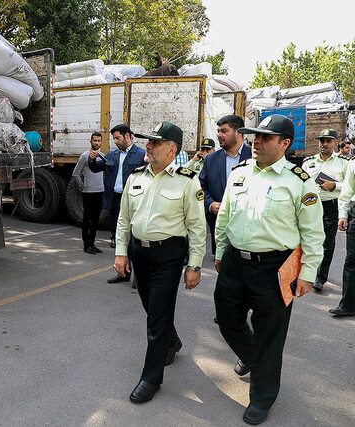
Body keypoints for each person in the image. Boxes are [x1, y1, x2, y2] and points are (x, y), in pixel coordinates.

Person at [214, 114, 324, 425]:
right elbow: (225, 217)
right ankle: (254, 357)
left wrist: (307, 272)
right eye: (254, 137)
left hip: (274, 268)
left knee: (270, 337)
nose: (256, 142)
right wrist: (221, 251)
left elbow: (314, 233)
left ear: (285, 143)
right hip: (235, 262)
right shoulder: (240, 173)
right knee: (226, 320)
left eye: (264, 138)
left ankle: (262, 397)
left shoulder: (299, 181)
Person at [114, 121, 205, 404]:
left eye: (154, 143)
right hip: (139, 253)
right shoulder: (136, 177)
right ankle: (172, 340)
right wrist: (120, 252)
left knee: (156, 317)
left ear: (172, 149)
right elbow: (124, 219)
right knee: (151, 306)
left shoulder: (187, 180)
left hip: (169, 255)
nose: (148, 146)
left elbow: (197, 227)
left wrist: (195, 265)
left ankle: (151, 378)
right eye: (148, 142)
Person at [88, 124, 147, 284]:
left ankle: (139, 277)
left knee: (136, 239)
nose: (115, 141)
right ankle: (124, 274)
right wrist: (92, 160)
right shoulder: (112, 155)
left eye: (117, 138)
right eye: (114, 138)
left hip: (134, 202)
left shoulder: (141, 154)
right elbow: (95, 168)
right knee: (120, 238)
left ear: (128, 136)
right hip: (115, 201)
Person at [302, 129, 350, 291]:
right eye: (322, 140)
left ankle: (320, 278)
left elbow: (351, 186)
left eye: (328, 141)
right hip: (311, 206)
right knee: (308, 239)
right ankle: (305, 272)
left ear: (336, 143)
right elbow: (301, 184)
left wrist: (334, 185)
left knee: (327, 243)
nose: (324, 144)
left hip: (331, 206)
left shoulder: (344, 162)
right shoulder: (308, 162)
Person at [199, 115, 252, 257]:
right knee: (222, 269)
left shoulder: (254, 156)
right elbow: (200, 188)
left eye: (224, 131)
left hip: (249, 227)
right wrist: (210, 204)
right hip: (219, 226)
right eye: (218, 131)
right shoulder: (211, 159)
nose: (218, 135)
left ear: (238, 133)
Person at [72, 132, 105, 254]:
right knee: (87, 219)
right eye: (95, 140)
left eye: (99, 141)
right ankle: (86, 245)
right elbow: (75, 173)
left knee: (96, 220)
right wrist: (82, 186)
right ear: (90, 141)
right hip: (89, 192)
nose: (97, 143)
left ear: (101, 142)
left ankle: (92, 243)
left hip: (100, 191)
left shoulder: (102, 156)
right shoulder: (85, 156)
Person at [334, 160, 355, 316]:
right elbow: (347, 191)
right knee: (351, 260)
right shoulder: (353, 163)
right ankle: (347, 305)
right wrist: (343, 215)